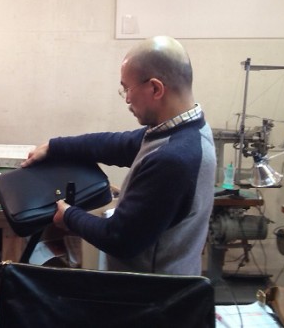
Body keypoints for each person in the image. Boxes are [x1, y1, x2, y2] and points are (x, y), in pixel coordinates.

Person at [22, 36, 216, 275]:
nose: (127, 99)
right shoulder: (186, 130)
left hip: (151, 293)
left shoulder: (173, 158)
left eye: (127, 88)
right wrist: (53, 146)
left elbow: (120, 239)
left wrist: (69, 215)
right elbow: (116, 144)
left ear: (155, 88)